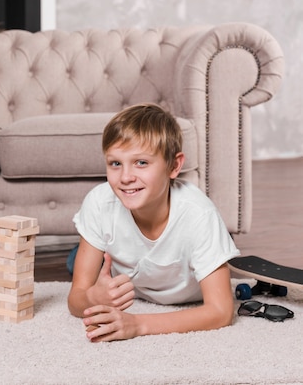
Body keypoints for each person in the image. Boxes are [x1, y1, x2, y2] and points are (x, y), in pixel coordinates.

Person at [67, 103, 240, 342]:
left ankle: (218, 251)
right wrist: (92, 298)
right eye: (115, 163)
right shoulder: (99, 201)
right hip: (127, 272)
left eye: (141, 163)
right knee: (77, 263)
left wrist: (137, 324)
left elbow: (222, 312)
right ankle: (87, 251)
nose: (126, 177)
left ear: (174, 165)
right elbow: (75, 300)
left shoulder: (199, 215)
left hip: (175, 280)